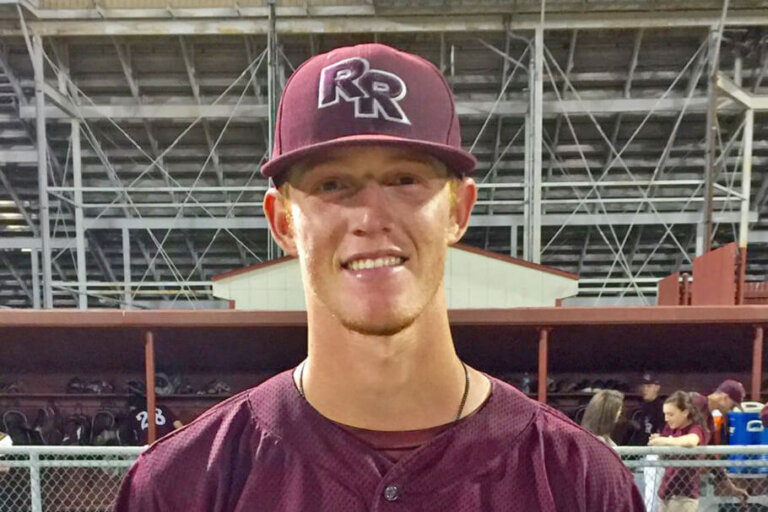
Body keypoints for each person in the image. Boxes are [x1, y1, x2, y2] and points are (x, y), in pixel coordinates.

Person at [115, 43, 644, 511]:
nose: (372, 216)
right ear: (282, 222)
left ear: (459, 209)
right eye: (334, 184)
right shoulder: (183, 484)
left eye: (406, 179)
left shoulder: (580, 482)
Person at [648, 391, 708, 512]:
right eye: (665, 414)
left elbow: (691, 441)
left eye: (671, 414)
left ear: (685, 412)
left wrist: (664, 441)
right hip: (666, 491)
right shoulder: (671, 428)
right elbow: (663, 442)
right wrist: (658, 439)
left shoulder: (695, 428)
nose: (666, 419)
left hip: (684, 495)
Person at [632, 373, 665, 446]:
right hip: (640, 448)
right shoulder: (641, 408)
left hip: (654, 449)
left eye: (649, 386)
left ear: (657, 388)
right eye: (643, 386)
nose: (645, 389)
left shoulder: (662, 409)